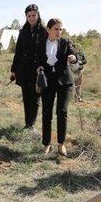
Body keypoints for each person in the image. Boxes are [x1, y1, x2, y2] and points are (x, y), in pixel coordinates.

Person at [40, 18, 77, 156]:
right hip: (48, 82)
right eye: (56, 29)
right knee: (46, 113)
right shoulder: (41, 43)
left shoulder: (65, 42)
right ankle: (47, 144)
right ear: (48, 29)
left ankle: (61, 144)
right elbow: (38, 60)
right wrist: (39, 68)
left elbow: (73, 53)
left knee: (62, 111)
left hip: (65, 81)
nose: (59, 32)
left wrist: (73, 57)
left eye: (61, 29)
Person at [10, 4, 48, 130]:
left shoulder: (44, 32)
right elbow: (18, 52)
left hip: (38, 70)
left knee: (36, 97)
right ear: (26, 16)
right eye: (29, 16)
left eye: (34, 15)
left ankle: (31, 125)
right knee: (26, 98)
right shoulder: (23, 31)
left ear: (38, 15)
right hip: (24, 70)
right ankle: (27, 124)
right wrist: (13, 70)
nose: (31, 18)